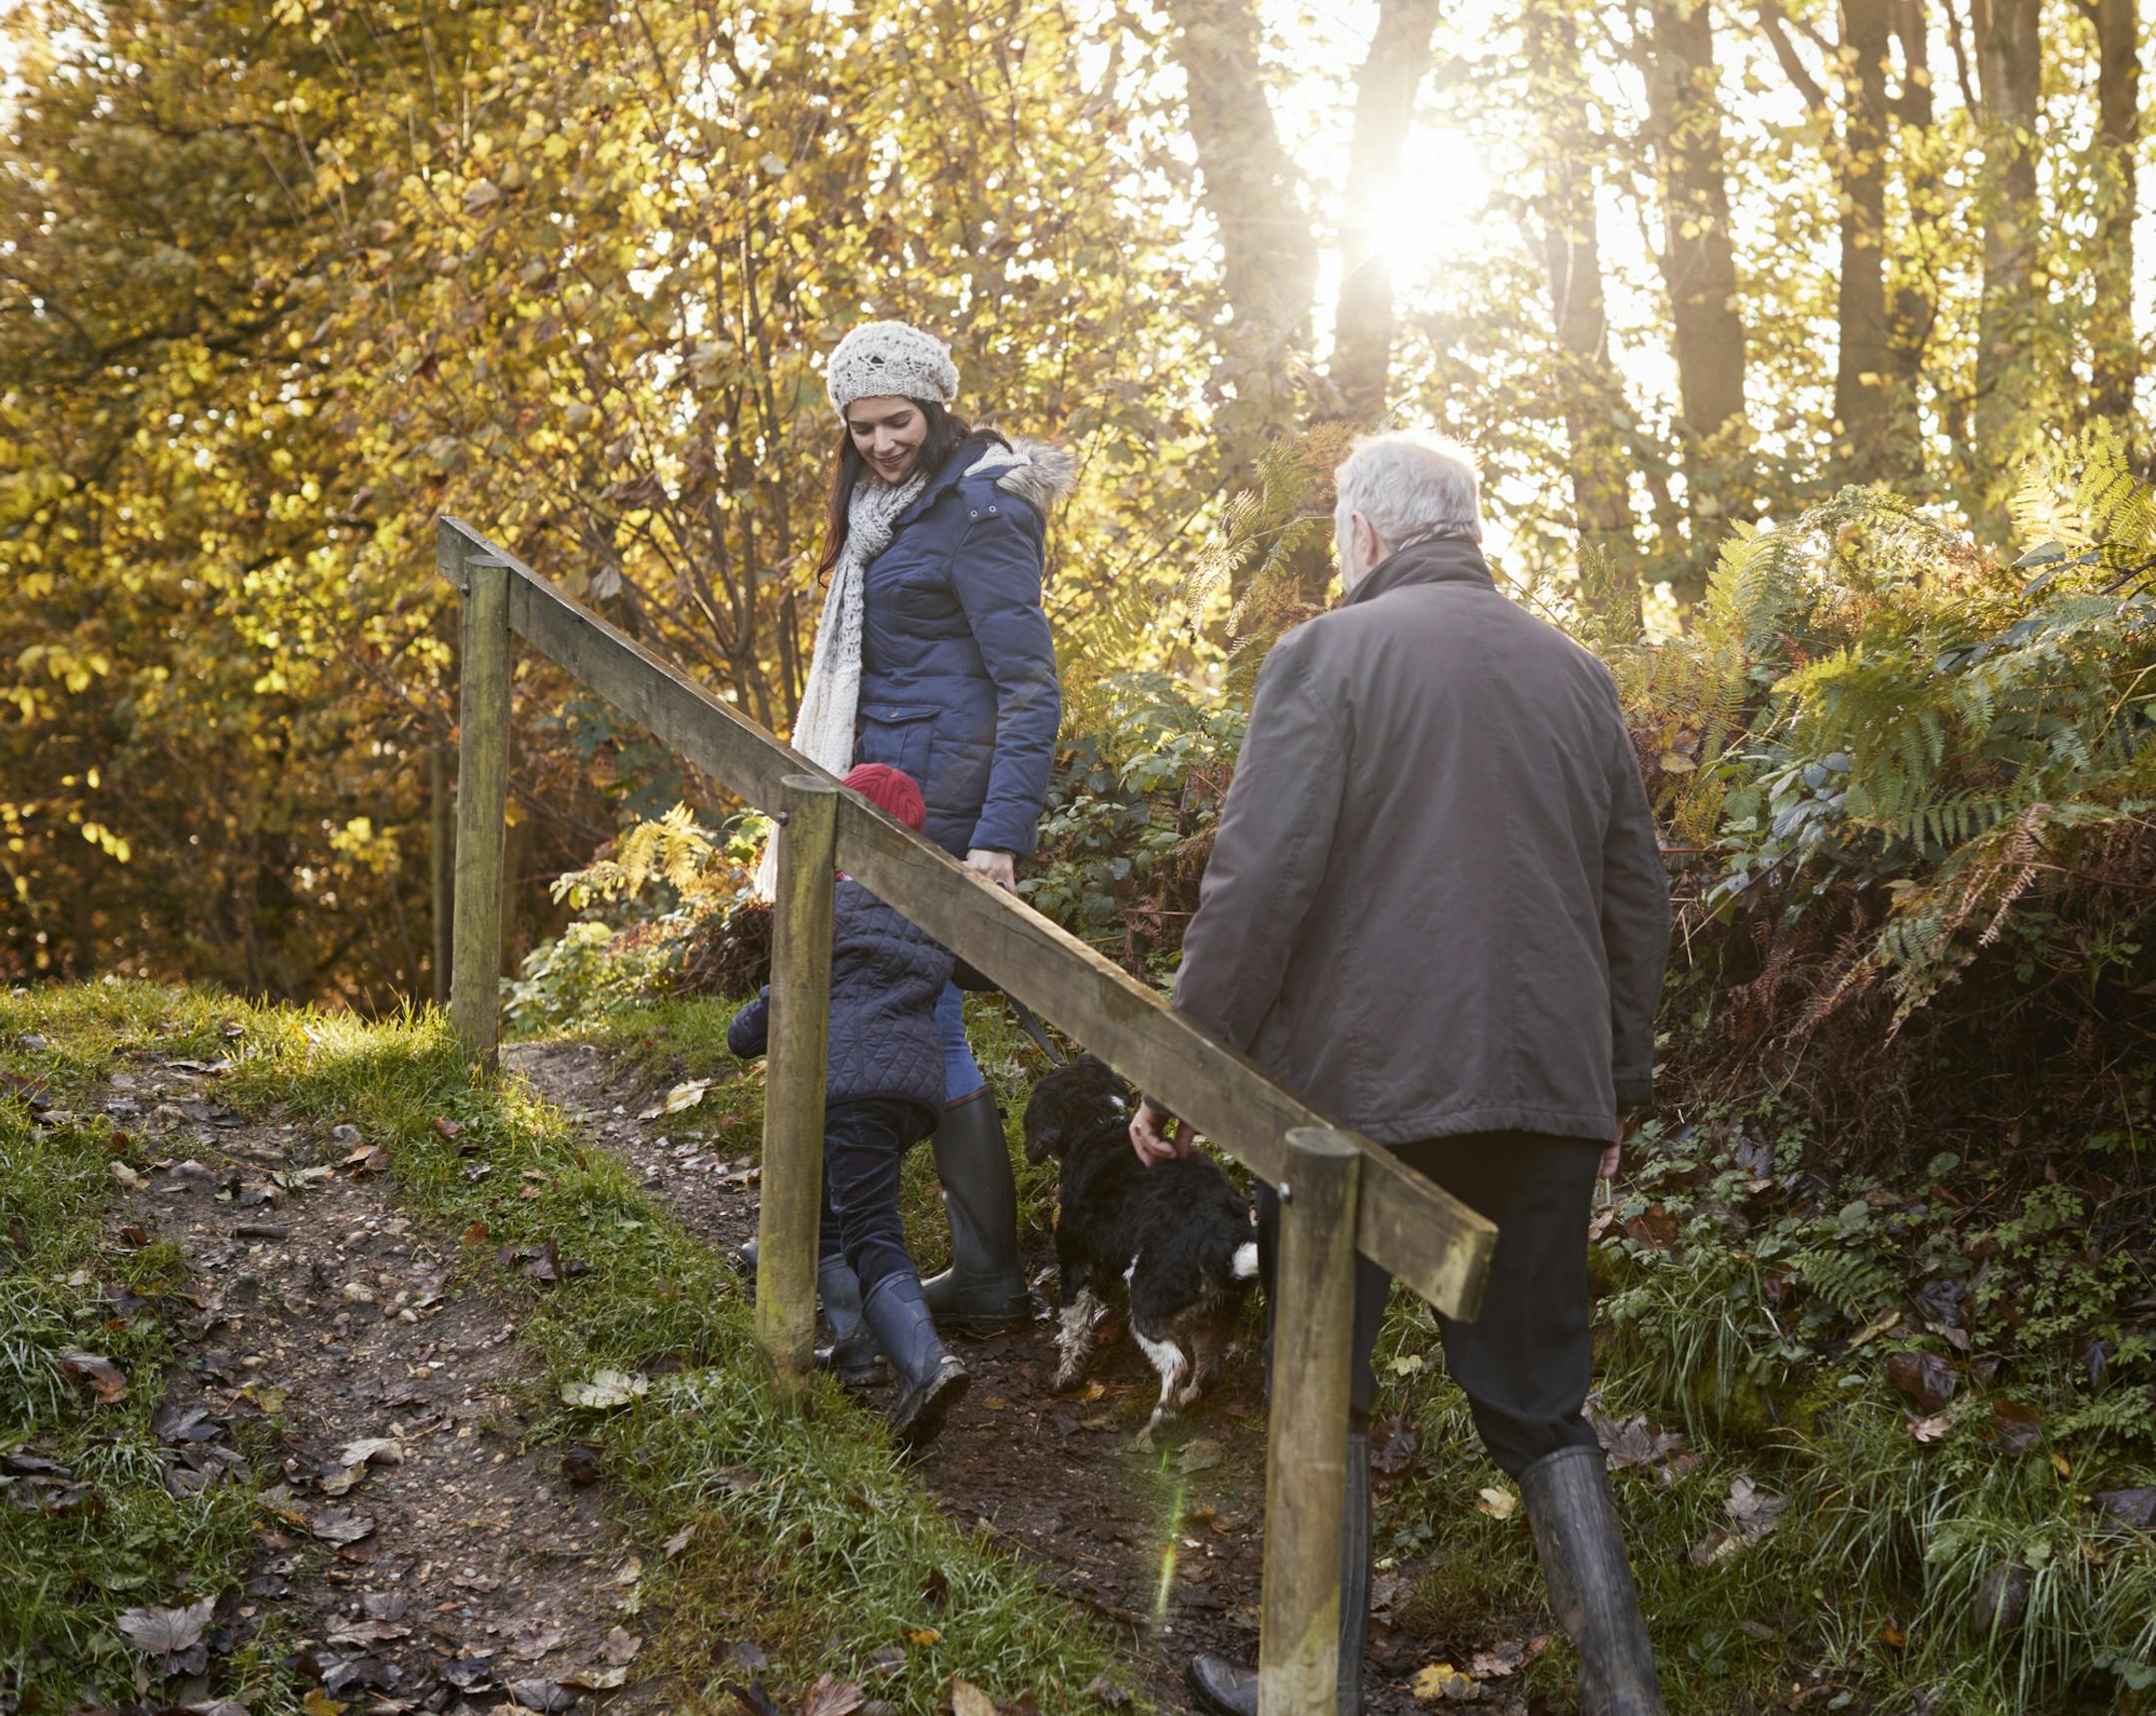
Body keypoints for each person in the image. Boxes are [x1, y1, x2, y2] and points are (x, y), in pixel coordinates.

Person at [1129, 431, 1672, 1716]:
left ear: (1366, 536)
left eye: (1334, 538)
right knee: (1539, 1397)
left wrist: (1181, 1062)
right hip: (1544, 1089)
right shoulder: (1576, 673)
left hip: (1350, 1101)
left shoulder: (1325, 657)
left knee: (1324, 1383)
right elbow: (1633, 900)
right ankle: (1626, 1695)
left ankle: (1311, 1687)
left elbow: (1259, 886)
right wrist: (1615, 1091)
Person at [752, 318, 1074, 1332]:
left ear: (936, 408)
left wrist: (1000, 836)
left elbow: (1030, 685)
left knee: (903, 1006)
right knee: (918, 1014)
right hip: (878, 797)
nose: (881, 444)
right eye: (862, 429)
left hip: (942, 808)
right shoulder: (887, 506)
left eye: (897, 422)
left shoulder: (979, 508)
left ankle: (917, 1258)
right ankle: (954, 1264)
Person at [729, 764, 978, 1445]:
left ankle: (926, 1365)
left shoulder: (829, 901)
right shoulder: (926, 905)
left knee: (869, 1225)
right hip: (910, 1096)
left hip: (849, 1086)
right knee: (836, 1208)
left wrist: (741, 1036)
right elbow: (979, 968)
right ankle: (856, 1351)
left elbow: (786, 991)